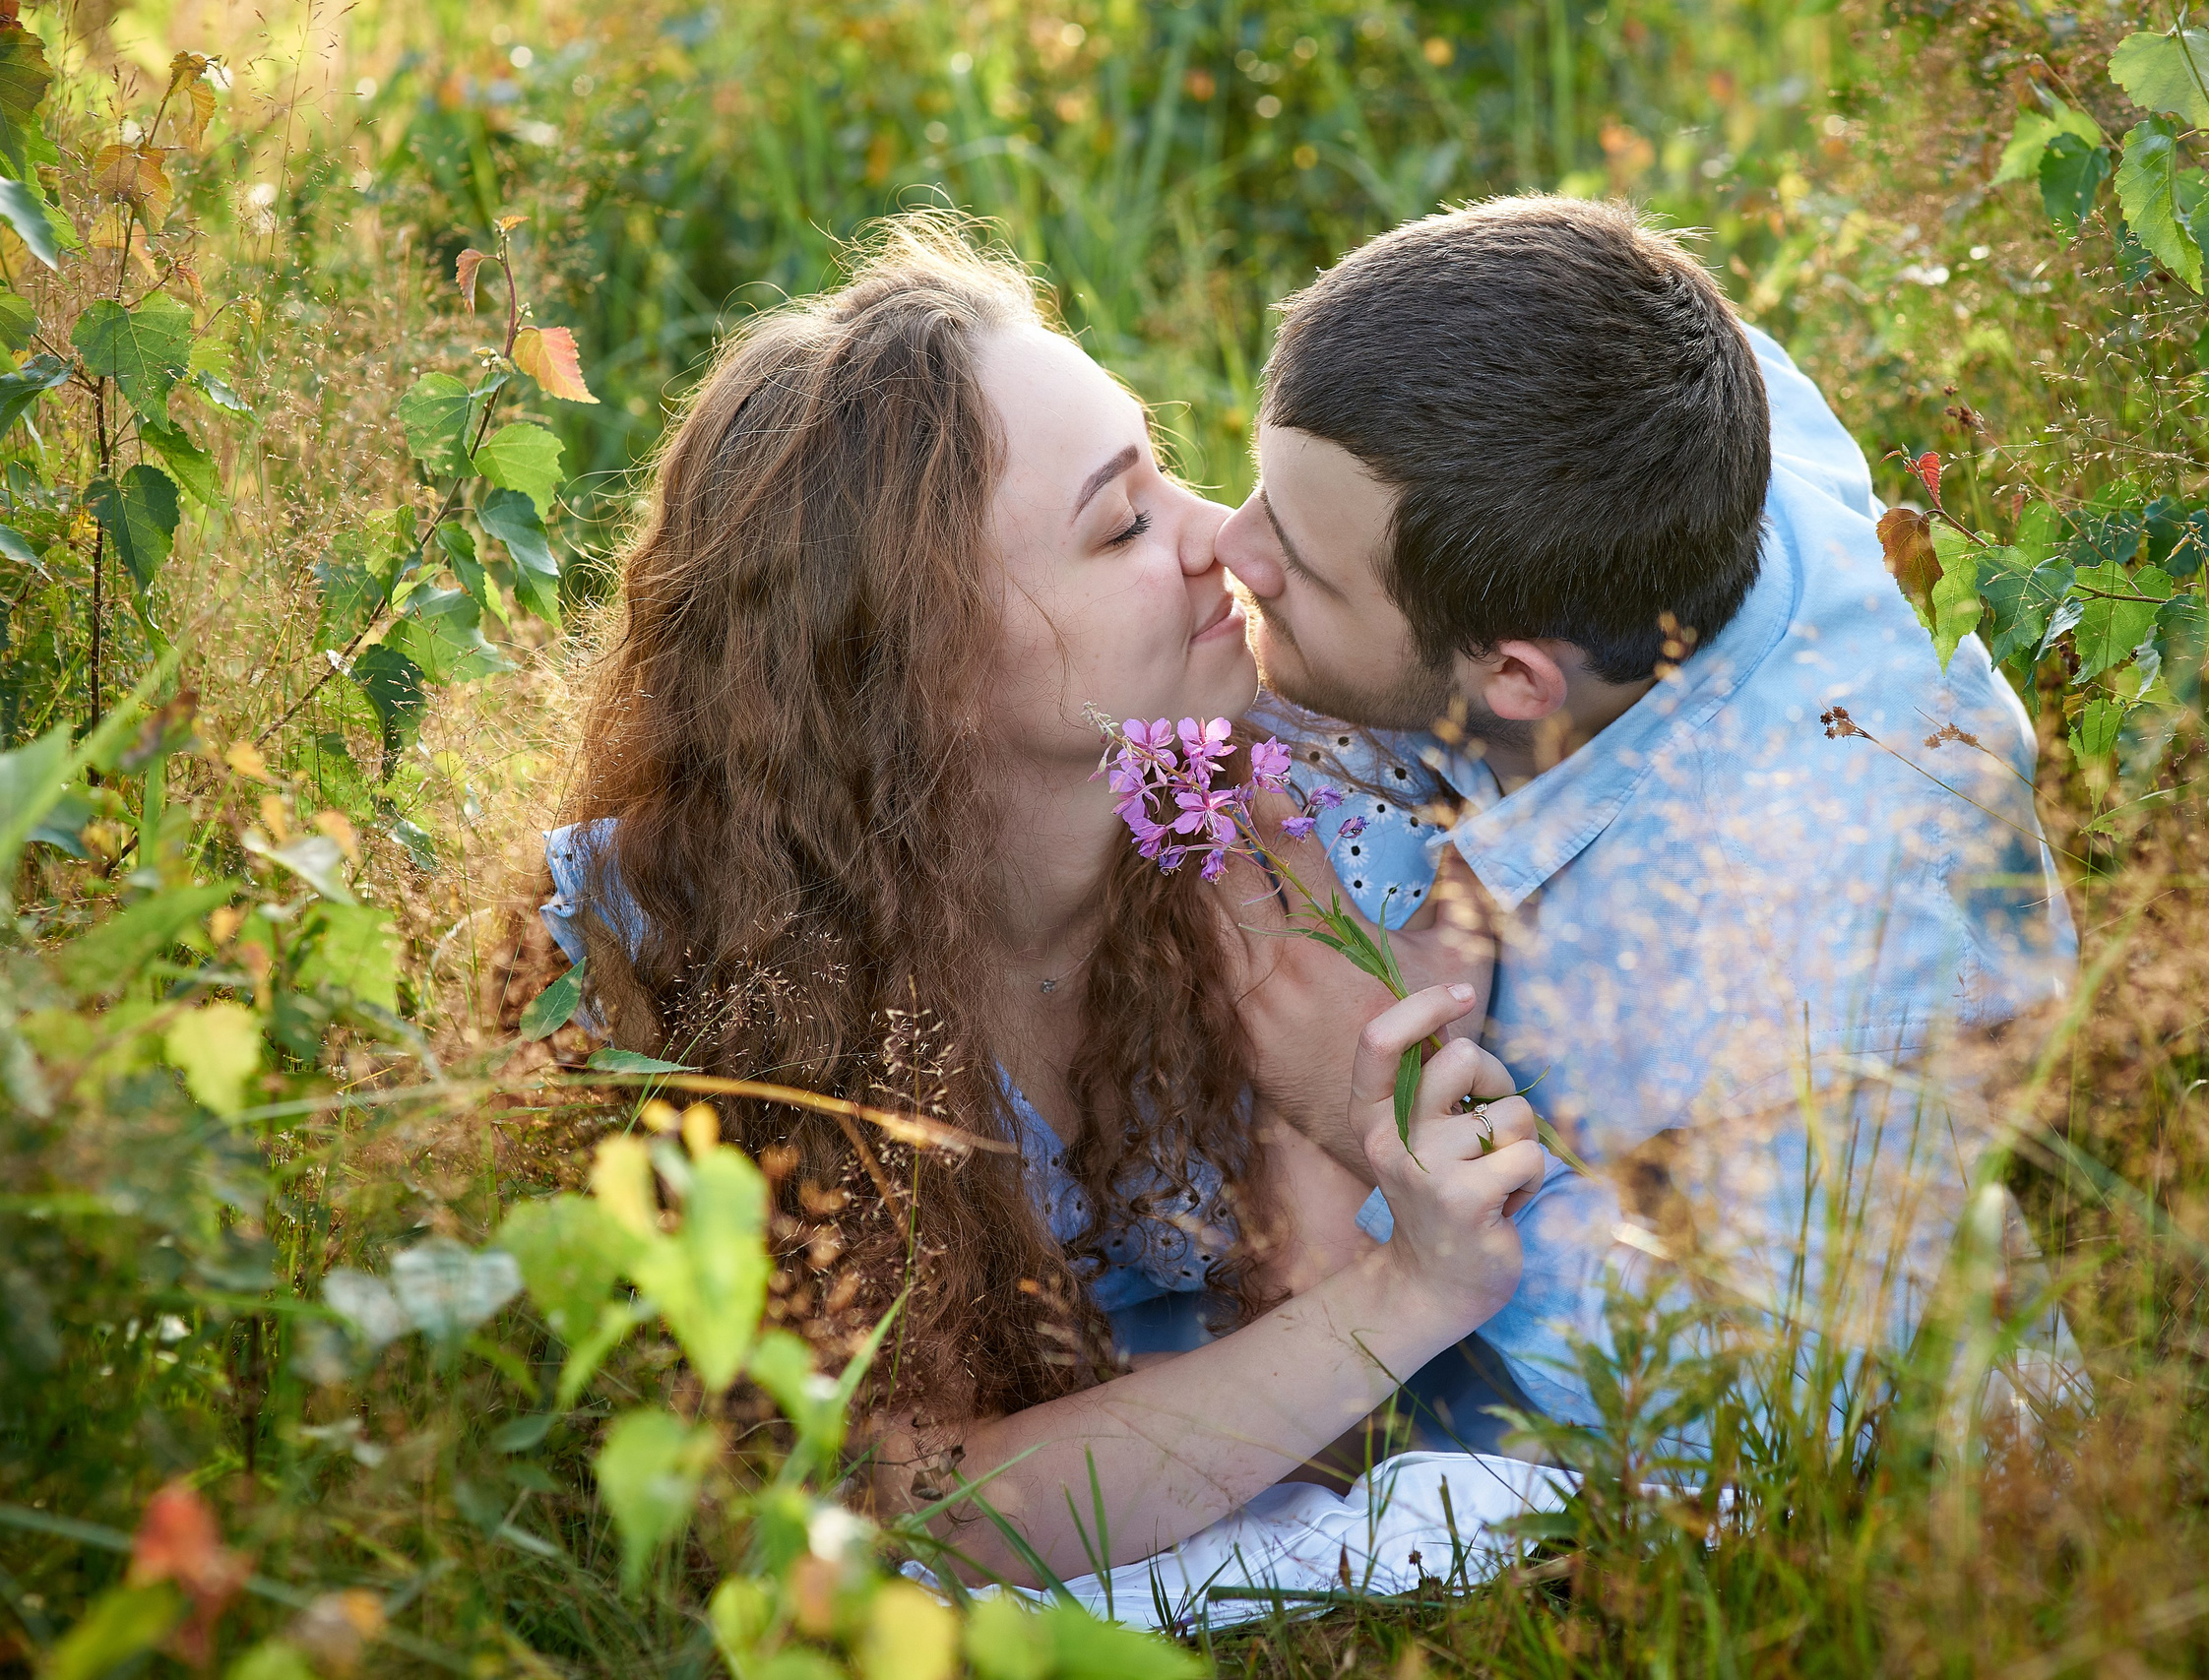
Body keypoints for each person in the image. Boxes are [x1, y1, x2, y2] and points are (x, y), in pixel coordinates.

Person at [536, 218, 1546, 1586]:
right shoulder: (693, 947)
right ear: (922, 665)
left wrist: (1336, 1144)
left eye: (1165, 469)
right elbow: (921, 1500)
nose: (1228, 541)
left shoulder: (1267, 828)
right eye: (1126, 519)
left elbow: (1320, 1433)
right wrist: (1408, 1286)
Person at [1218, 196, 2081, 1429]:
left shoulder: (1802, 933)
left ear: (1516, 676)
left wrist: (1377, 1121)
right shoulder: (1666, 439)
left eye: (1294, 563)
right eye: (1260, 493)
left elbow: (1806, 1411)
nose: (1227, 548)